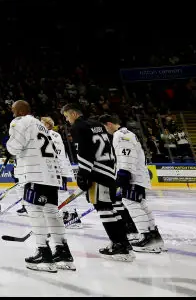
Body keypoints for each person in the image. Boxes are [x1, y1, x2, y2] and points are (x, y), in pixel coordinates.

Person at [6, 100, 73, 272]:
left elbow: (14, 147)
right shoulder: (40, 125)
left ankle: (44, 253)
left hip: (34, 174)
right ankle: (62, 251)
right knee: (52, 211)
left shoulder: (20, 122)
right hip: (51, 174)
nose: (12, 114)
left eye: (14, 110)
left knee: (35, 211)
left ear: (20, 111)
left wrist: (9, 147)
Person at [62, 103, 133, 260]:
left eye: (67, 116)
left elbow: (84, 152)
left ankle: (119, 245)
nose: (67, 120)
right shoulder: (96, 124)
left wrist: (83, 174)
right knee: (112, 208)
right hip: (109, 171)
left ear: (73, 114)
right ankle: (124, 243)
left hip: (97, 173)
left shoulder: (78, 127)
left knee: (104, 209)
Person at [101, 115, 165, 253]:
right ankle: (154, 237)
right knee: (140, 204)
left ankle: (147, 237)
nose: (106, 130)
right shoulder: (128, 133)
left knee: (132, 204)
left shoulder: (120, 135)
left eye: (105, 127)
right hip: (137, 176)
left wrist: (123, 174)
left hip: (132, 177)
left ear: (109, 124)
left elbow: (126, 155)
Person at [41, 117, 79, 228]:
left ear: (47, 125)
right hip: (57, 168)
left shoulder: (49, 135)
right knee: (58, 193)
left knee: (62, 193)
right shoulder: (54, 135)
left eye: (41, 123)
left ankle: (73, 214)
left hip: (58, 169)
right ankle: (66, 213)